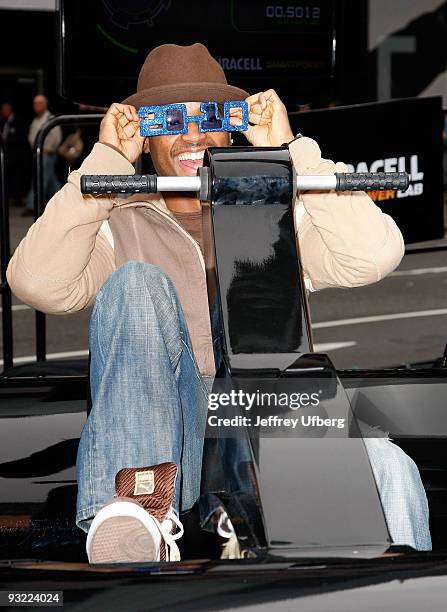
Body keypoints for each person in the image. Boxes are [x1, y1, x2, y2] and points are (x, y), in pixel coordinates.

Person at [6, 43, 431, 562]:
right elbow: (34, 281)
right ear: (144, 132)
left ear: (230, 126)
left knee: (390, 466)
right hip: (169, 434)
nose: (192, 135)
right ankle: (137, 511)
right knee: (137, 281)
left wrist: (291, 149)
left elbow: (374, 255)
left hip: (266, 420)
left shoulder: (271, 213)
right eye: (169, 120)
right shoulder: (118, 223)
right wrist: (107, 163)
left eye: (209, 116)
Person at [23, 94, 62, 215]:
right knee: (51, 182)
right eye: (35, 103)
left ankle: (31, 206)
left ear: (45, 104)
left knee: (40, 179)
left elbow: (57, 137)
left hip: (47, 155)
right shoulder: (36, 119)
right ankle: (63, 200)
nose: (36, 106)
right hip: (38, 154)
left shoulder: (50, 118)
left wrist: (48, 149)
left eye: (39, 103)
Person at [0, 102, 29, 207]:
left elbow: (22, 138)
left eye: (4, 110)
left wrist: (8, 141)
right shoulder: (3, 122)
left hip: (18, 156)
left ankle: (19, 199)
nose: (3, 112)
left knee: (17, 178)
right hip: (7, 156)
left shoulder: (19, 121)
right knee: (9, 177)